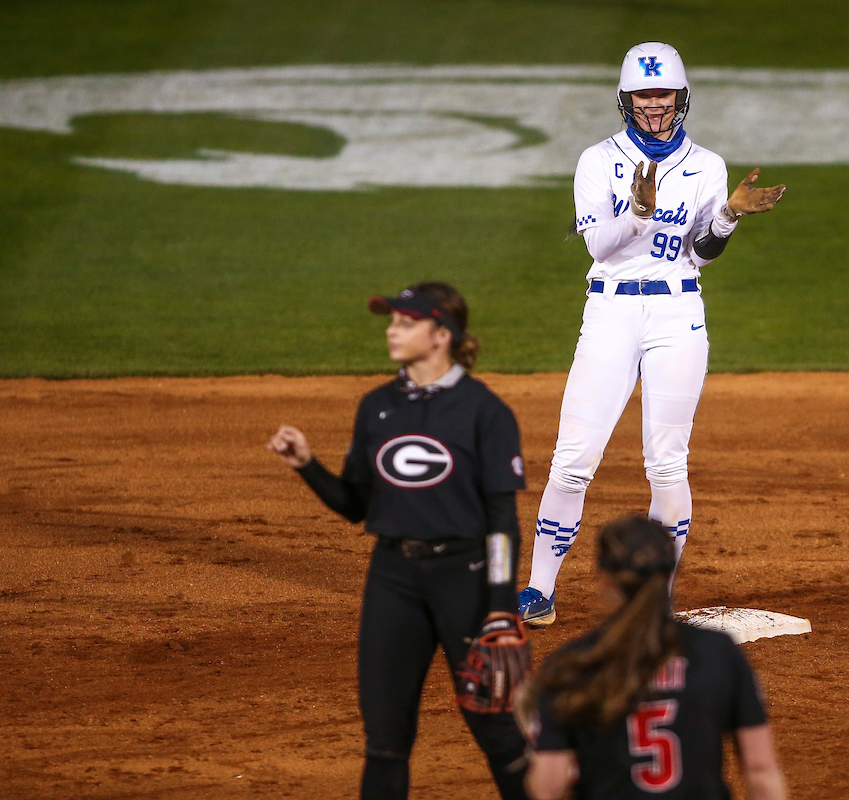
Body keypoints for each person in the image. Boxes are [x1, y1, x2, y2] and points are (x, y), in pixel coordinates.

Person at [519, 42, 786, 626]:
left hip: (677, 315)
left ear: (680, 97)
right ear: (627, 99)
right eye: (644, 95)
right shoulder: (597, 160)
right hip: (610, 313)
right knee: (572, 461)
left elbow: (703, 253)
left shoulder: (706, 165)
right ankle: (539, 589)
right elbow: (598, 246)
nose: (654, 106)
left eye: (662, 93)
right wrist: (638, 212)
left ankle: (655, 602)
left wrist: (728, 217)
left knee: (667, 464)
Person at [268, 282, 530, 800]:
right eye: (392, 321)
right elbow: (357, 506)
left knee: (497, 731)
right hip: (392, 579)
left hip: (466, 580)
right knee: (385, 741)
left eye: (405, 322)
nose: (392, 330)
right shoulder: (377, 406)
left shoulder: (486, 412)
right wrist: (307, 466)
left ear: (441, 335)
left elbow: (503, 522)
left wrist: (501, 607)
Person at [523, 516, 787, 800]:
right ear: (672, 571)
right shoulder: (718, 653)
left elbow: (548, 786)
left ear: (604, 578)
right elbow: (760, 771)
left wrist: (524, 727)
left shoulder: (572, 666)